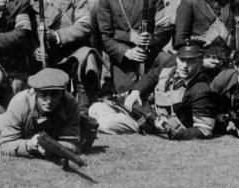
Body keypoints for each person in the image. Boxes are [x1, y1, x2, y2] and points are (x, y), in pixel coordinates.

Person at [89, 42, 220, 138]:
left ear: (200, 61)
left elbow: (204, 129)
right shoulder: (172, 62)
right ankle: (109, 117)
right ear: (177, 57)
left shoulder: (200, 88)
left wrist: (177, 133)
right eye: (182, 60)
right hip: (145, 111)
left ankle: (106, 120)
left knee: (105, 123)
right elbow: (152, 76)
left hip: (149, 124)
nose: (185, 66)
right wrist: (135, 93)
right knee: (94, 108)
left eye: (191, 61)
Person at [29, 0, 102, 112]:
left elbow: (85, 25)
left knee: (87, 55)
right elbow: (26, 33)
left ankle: (83, 108)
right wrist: (35, 50)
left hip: (69, 53)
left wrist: (56, 35)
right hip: (43, 54)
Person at [96, 0, 173, 93]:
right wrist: (126, 51)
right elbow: (104, 37)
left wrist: (151, 40)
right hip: (123, 60)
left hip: (150, 55)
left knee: (169, 65)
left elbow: (165, 29)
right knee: (128, 96)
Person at [0, 68, 83, 157]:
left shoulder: (70, 104)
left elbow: (72, 144)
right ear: (35, 91)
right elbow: (5, 146)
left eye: (54, 95)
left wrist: (52, 147)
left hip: (14, 120)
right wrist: (29, 145)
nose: (49, 101)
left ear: (62, 93)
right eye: (44, 95)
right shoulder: (19, 102)